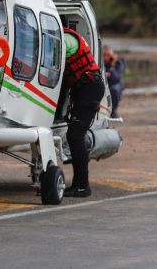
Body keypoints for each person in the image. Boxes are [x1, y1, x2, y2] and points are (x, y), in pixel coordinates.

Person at [62, 27, 105, 197]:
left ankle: (82, 186)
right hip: (87, 87)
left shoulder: (65, 39)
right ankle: (80, 184)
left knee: (75, 136)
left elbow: (52, 61)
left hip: (89, 88)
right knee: (75, 136)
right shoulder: (69, 37)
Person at [103, 45, 125, 118]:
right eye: (104, 55)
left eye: (108, 55)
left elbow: (116, 77)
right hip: (101, 83)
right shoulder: (99, 61)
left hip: (113, 84)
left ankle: (113, 111)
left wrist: (112, 66)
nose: (106, 57)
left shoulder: (118, 63)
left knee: (115, 89)